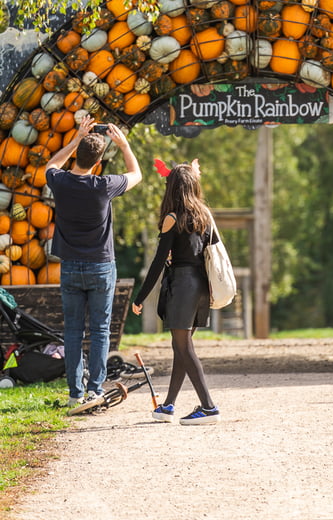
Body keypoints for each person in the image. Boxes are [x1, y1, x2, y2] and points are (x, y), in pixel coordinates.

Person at [45, 115, 142, 407]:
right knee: (100, 330)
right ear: (98, 163)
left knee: (73, 330)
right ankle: (94, 390)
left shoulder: (60, 182)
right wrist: (124, 146)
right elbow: (136, 174)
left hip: (71, 266)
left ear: (78, 156)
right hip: (101, 266)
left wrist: (75, 139)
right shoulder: (104, 185)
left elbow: (51, 164)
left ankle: (75, 393)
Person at [131, 158, 220, 425]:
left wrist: (140, 297)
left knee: (184, 347)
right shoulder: (203, 215)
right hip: (201, 285)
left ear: (172, 189)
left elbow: (158, 262)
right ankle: (168, 405)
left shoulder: (172, 218)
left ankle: (208, 407)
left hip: (182, 285)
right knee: (180, 347)